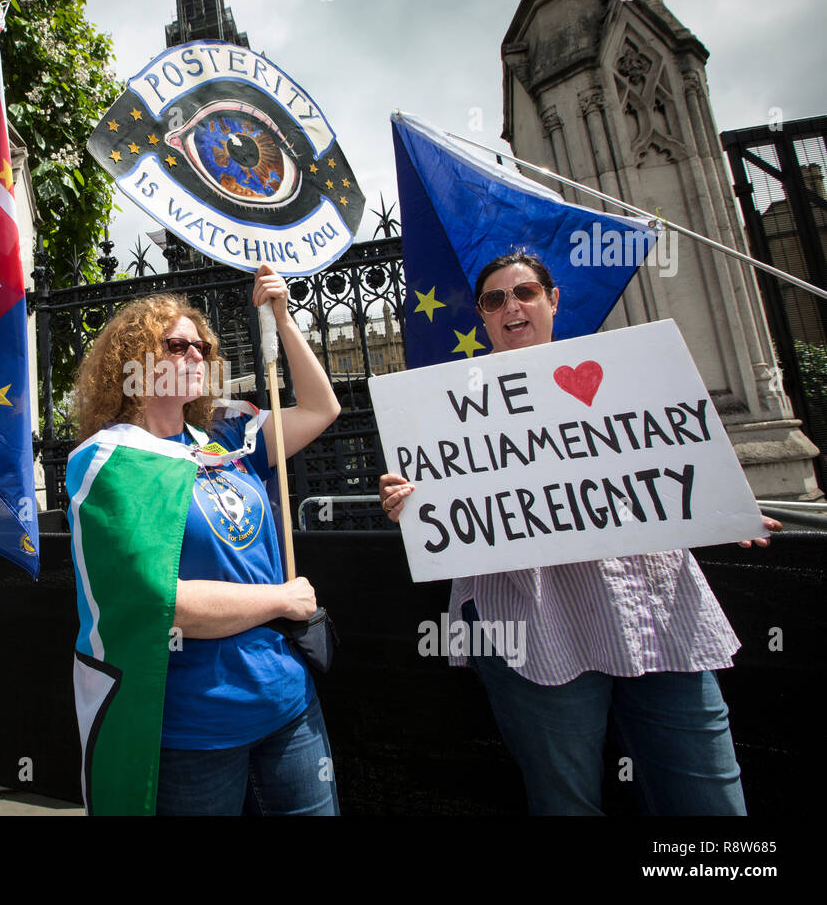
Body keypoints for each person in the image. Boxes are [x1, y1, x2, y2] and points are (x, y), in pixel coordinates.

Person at [378, 249, 781, 816]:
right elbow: (444, 507)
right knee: (564, 802)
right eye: (494, 300)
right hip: (531, 620)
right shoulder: (444, 407)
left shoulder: (626, 374)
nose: (511, 307)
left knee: (707, 797)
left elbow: (669, 456)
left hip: (658, 610)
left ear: (552, 300)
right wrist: (410, 505)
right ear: (483, 316)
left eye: (524, 293)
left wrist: (722, 505)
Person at [67, 264, 341, 815]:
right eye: (177, 345)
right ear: (136, 360)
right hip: (194, 727)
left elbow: (321, 409)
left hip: (288, 705)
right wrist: (282, 600)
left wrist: (283, 321)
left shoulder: (225, 437)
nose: (195, 355)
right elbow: (159, 601)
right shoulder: (109, 459)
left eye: (201, 347)